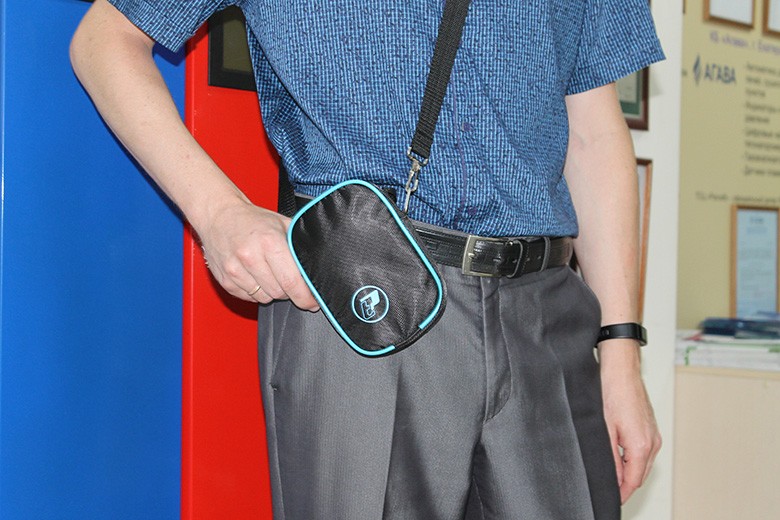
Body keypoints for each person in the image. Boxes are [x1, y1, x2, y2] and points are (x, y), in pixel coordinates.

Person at [71, 1, 664, 518]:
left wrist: (621, 353)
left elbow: (591, 128)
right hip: (365, 302)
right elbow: (105, 38)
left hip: (546, 317)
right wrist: (219, 213)